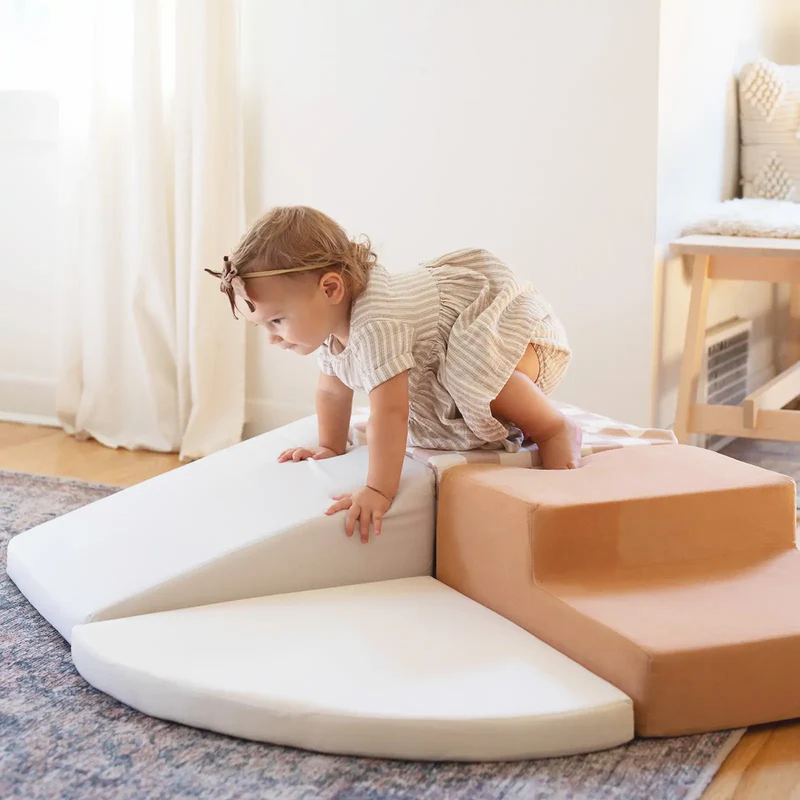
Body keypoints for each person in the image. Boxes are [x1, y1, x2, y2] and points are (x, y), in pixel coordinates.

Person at [207, 206, 578, 543]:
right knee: (465, 381)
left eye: (277, 320)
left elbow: (390, 412)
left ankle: (553, 427)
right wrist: (330, 446)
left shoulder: (376, 323)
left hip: (513, 335)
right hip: (461, 346)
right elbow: (333, 392)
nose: (273, 338)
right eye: (263, 325)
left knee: (482, 381)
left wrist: (378, 490)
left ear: (331, 288)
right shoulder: (330, 323)